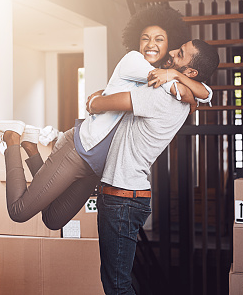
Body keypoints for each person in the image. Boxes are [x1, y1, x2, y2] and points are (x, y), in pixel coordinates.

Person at [0, 5, 211, 232]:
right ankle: (12, 138)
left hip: (97, 166)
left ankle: (31, 148)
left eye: (159, 39)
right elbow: (195, 93)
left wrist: (177, 78)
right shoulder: (134, 61)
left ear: (169, 45)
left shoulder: (164, 78)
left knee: (53, 220)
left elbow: (201, 92)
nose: (151, 44)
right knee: (19, 211)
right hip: (80, 149)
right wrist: (186, 92)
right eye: (145, 38)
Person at [88, 38, 219, 295]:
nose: (171, 52)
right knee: (116, 282)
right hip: (122, 196)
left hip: (122, 197)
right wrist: (173, 76)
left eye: (180, 54)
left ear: (190, 72)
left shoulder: (164, 94)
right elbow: (203, 92)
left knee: (117, 286)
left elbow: (104, 104)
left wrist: (94, 101)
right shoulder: (175, 90)